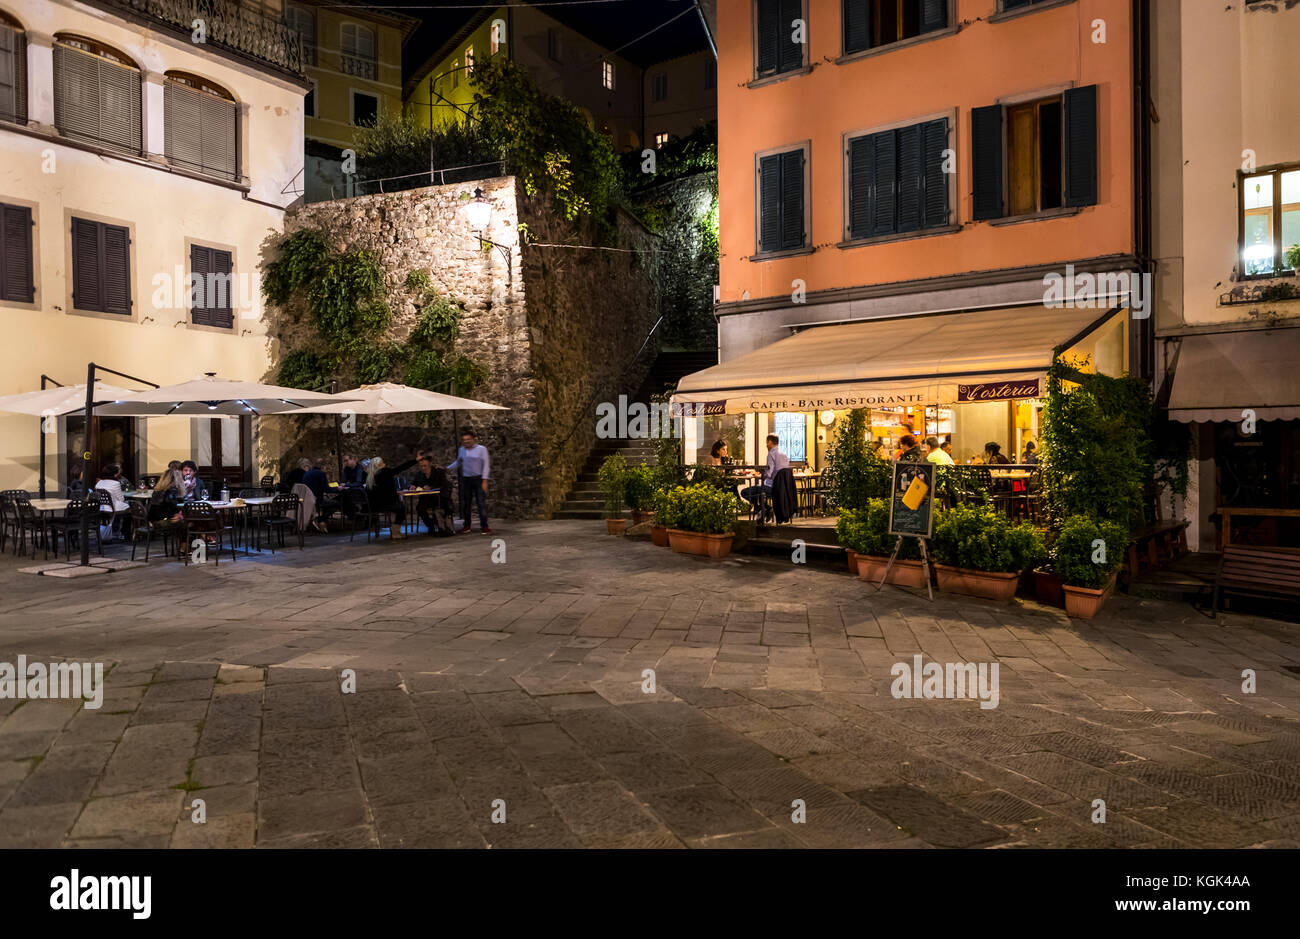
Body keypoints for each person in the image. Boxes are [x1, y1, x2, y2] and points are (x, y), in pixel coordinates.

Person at [447, 428, 492, 535]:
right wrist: (447, 468)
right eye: (464, 440)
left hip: (478, 479)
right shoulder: (462, 450)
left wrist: (485, 480)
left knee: (480, 503)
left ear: (474, 439)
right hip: (466, 479)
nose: (466, 441)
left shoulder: (481, 449)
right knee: (466, 504)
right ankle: (466, 526)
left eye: (469, 439)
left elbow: (486, 465)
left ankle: (484, 526)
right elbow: (458, 462)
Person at [364, 454, 418, 540]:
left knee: (398, 506)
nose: (384, 463)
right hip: (384, 505)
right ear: (380, 465)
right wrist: (415, 460)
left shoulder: (370, 477)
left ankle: (394, 529)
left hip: (373, 506)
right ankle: (395, 531)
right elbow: (401, 468)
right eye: (382, 462)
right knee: (402, 508)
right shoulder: (385, 472)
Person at [739, 434, 788, 519]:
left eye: (766, 443)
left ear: (769, 442)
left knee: (745, 492)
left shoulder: (771, 454)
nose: (766, 445)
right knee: (757, 491)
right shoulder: (783, 454)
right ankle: (765, 509)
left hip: (771, 488)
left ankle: (764, 508)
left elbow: (769, 474)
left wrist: (760, 474)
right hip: (782, 488)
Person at [412, 456, 454, 536]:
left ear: (430, 464)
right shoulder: (419, 474)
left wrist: (431, 488)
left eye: (425, 466)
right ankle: (431, 526)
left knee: (438, 508)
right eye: (421, 466)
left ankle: (441, 527)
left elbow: (443, 485)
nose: (423, 468)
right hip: (426, 498)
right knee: (420, 509)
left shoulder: (439, 472)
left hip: (439, 497)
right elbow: (414, 483)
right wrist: (412, 486)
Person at [94, 464, 130, 542]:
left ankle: (116, 531)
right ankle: (126, 534)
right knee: (130, 508)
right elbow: (121, 499)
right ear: (115, 474)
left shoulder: (99, 483)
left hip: (101, 507)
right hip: (111, 508)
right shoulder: (115, 483)